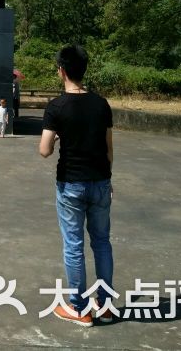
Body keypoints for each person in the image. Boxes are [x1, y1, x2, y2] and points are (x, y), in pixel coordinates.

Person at [39, 45, 114, 327]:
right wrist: (108, 179)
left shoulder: (57, 106)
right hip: (100, 182)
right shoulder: (101, 104)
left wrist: (58, 137)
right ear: (84, 70)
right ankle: (105, 306)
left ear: (62, 71)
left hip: (71, 184)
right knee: (102, 242)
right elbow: (109, 149)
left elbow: (44, 150)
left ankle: (79, 308)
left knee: (74, 245)